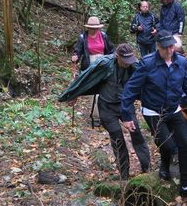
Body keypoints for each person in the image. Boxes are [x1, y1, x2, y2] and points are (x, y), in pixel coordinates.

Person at [120, 30, 187, 200]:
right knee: (167, 146)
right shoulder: (147, 64)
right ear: (158, 46)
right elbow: (130, 90)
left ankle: (186, 185)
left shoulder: (180, 62)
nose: (169, 51)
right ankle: (164, 166)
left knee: (183, 144)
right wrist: (126, 116)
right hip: (153, 113)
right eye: (165, 47)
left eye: (171, 47)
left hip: (174, 110)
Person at [59, 44, 151, 180]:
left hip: (125, 106)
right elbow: (86, 78)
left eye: (129, 60)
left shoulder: (134, 65)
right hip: (107, 107)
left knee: (136, 133)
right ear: (117, 56)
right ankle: (124, 175)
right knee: (117, 138)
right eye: (124, 60)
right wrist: (74, 94)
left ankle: (146, 168)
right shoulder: (104, 64)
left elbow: (148, 81)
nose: (127, 63)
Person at [71, 16, 115, 125]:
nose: (93, 30)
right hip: (90, 65)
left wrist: (112, 60)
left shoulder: (103, 36)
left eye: (95, 28)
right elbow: (78, 50)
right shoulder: (83, 37)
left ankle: (104, 114)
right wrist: (75, 56)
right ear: (88, 27)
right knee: (93, 91)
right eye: (91, 28)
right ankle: (96, 117)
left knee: (103, 90)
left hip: (103, 64)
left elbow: (111, 50)